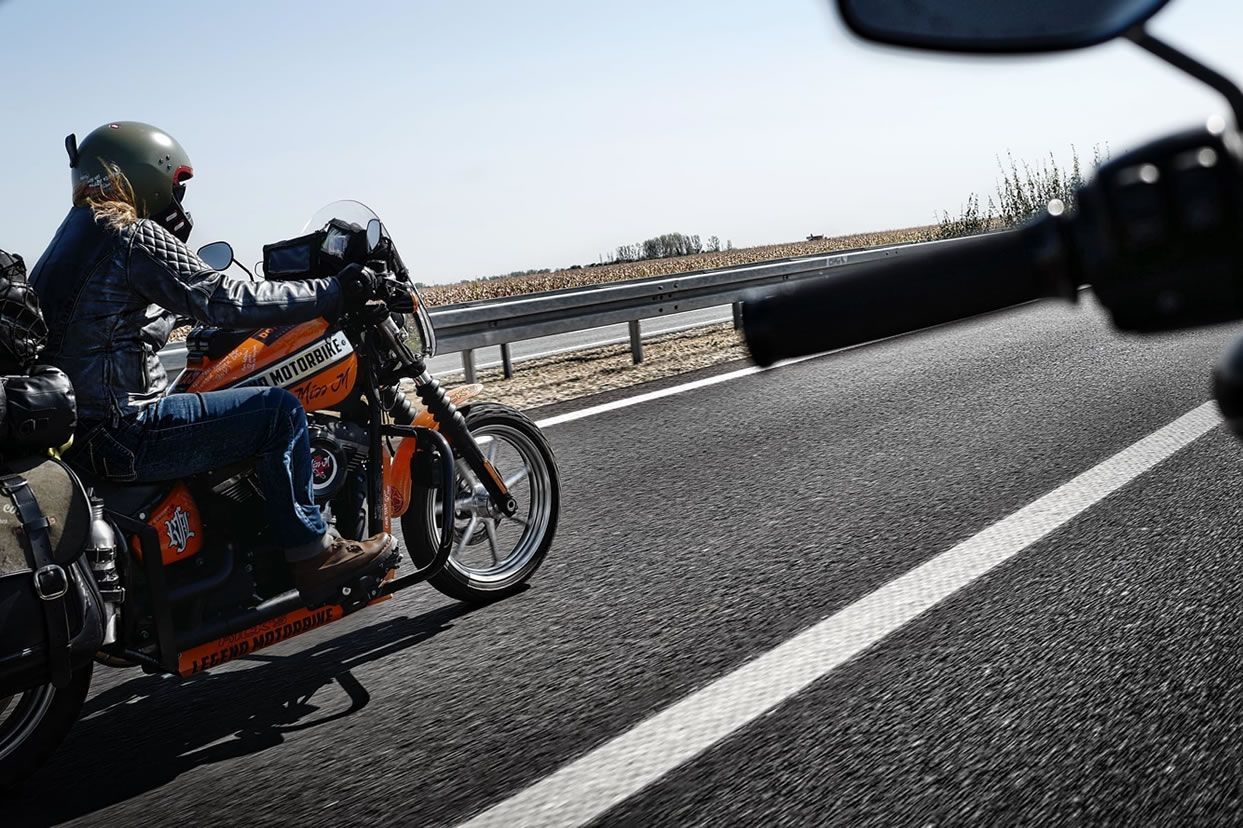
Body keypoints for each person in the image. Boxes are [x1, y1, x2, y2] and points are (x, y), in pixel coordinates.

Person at [29, 121, 393, 602]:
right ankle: (313, 554)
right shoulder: (128, 234)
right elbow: (224, 297)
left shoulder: (69, 241)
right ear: (144, 175)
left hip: (84, 434)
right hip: (126, 429)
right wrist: (332, 291)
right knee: (278, 413)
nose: (178, 201)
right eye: (175, 187)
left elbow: (110, 327)